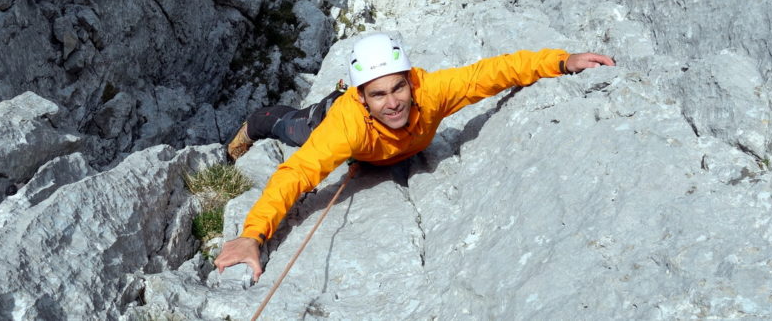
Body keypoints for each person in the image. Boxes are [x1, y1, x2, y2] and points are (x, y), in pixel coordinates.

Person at [215, 31, 615, 281]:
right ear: (361, 97)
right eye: (378, 94)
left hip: (380, 149)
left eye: (398, 88)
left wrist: (561, 62)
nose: (392, 103)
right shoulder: (346, 127)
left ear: (410, 80)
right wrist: (253, 235)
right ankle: (255, 123)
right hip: (327, 123)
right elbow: (297, 174)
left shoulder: (432, 91)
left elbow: (494, 73)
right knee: (288, 128)